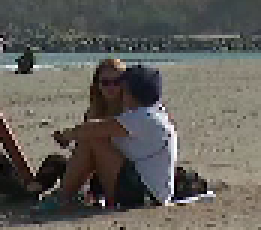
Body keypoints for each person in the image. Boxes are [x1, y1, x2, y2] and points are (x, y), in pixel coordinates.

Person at [42, 63, 178, 208]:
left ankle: (63, 197)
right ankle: (72, 193)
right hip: (150, 193)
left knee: (93, 139)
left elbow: (93, 130)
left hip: (145, 197)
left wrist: (65, 136)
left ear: (132, 93)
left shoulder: (143, 117)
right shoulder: (154, 112)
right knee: (94, 139)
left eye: (122, 87)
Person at [30, 56, 128, 192]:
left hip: (116, 172)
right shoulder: (94, 111)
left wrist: (72, 136)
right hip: (91, 168)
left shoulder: (128, 112)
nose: (111, 87)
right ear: (97, 85)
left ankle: (62, 196)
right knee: (54, 161)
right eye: (105, 82)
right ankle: (31, 193)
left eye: (116, 82)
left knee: (92, 140)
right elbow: (82, 149)